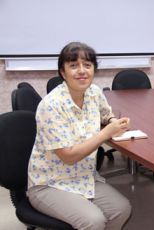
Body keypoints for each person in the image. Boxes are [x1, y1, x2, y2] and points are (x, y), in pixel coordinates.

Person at [27, 42, 132, 230]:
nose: (82, 71)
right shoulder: (51, 105)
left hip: (84, 175)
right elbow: (68, 156)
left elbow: (105, 113)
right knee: (93, 221)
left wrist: (113, 121)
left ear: (94, 69)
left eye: (87, 65)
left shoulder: (94, 93)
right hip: (50, 183)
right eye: (73, 65)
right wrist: (105, 134)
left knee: (122, 209)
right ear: (62, 72)